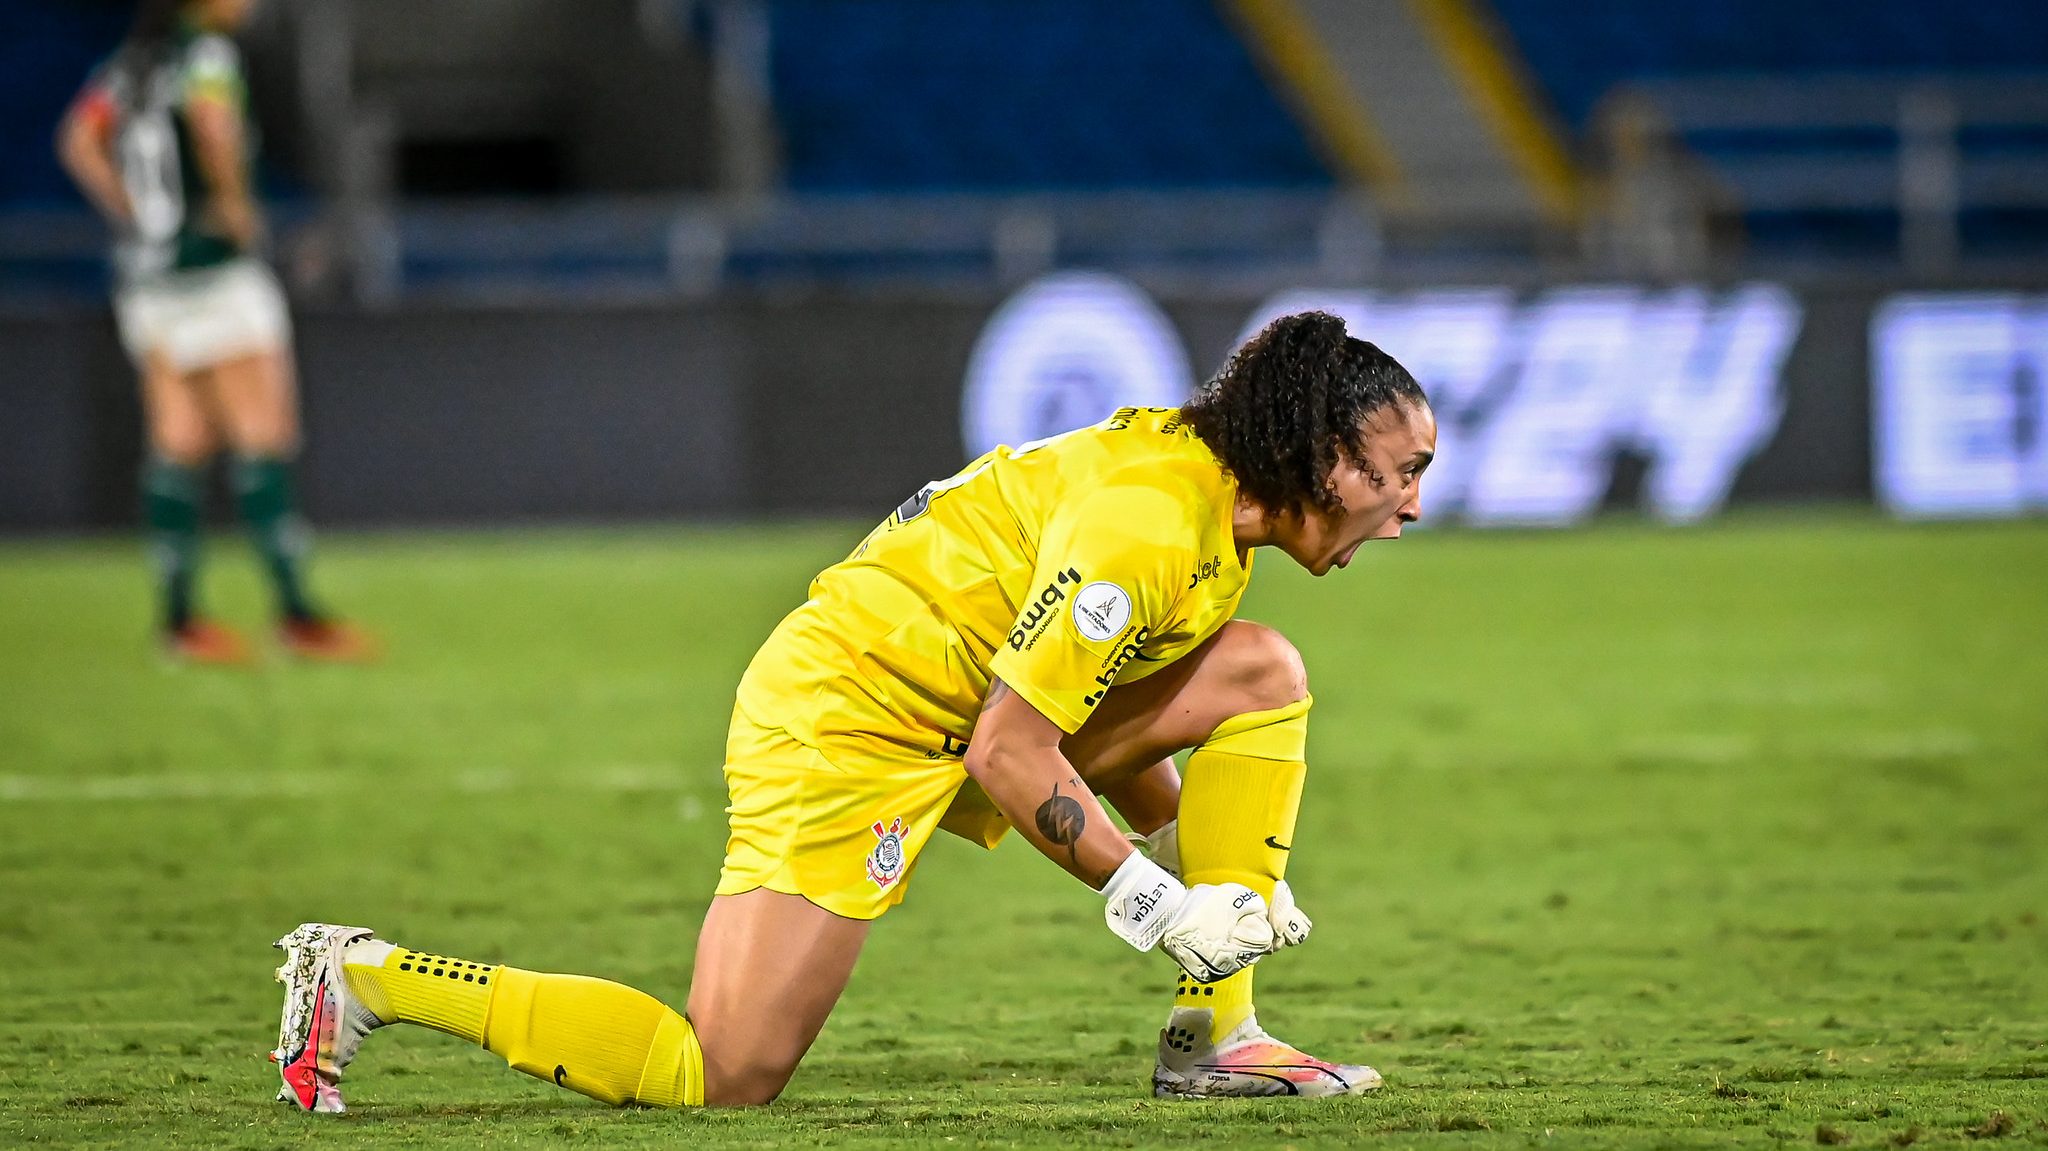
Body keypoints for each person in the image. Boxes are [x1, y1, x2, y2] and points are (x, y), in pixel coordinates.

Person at [269, 311, 1437, 1110]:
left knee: (1255, 670)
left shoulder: (1214, 517)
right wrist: (1158, 902)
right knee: (723, 1070)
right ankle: (365, 976)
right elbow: (1012, 750)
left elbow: (1099, 709)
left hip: (961, 703)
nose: (1412, 506)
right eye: (1401, 472)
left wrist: (1216, 873)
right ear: (1324, 460)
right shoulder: (1146, 527)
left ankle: (1215, 1037)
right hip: (846, 718)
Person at [55, 0, 370, 663]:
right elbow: (214, 124)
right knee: (264, 436)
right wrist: (235, 206)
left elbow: (78, 141)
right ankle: (296, 615)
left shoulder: (129, 68)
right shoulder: (206, 57)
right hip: (214, 270)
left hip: (151, 278)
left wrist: (133, 216)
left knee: (181, 441)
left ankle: (179, 622)